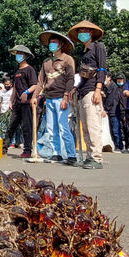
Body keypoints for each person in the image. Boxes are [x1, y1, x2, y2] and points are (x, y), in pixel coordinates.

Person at [69, 21, 108, 169]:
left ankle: (97, 158)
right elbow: (83, 75)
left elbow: (102, 69)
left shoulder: (98, 47)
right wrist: (76, 88)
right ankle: (89, 156)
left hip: (93, 90)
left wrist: (98, 89)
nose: (82, 33)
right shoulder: (82, 52)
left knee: (93, 125)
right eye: (80, 31)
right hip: (82, 90)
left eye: (85, 30)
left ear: (91, 33)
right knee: (85, 127)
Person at [37, 30, 76, 164]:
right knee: (50, 128)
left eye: (54, 42)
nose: (52, 44)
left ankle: (71, 155)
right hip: (49, 98)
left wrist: (66, 96)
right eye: (50, 42)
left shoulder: (67, 59)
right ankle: (56, 152)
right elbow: (41, 82)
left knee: (63, 127)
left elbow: (71, 79)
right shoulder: (46, 62)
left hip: (61, 97)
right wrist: (35, 97)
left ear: (60, 44)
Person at [3, 46, 39, 158]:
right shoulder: (17, 71)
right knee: (11, 126)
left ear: (25, 56)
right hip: (17, 103)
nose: (18, 55)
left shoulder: (30, 69)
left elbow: (35, 85)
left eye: (20, 53)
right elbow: (14, 88)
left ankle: (27, 150)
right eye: (17, 53)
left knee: (26, 127)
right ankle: (3, 148)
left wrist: (26, 92)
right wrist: (11, 100)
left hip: (26, 103)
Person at [103, 72, 125, 153]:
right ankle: (114, 145)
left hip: (113, 111)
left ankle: (119, 146)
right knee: (110, 130)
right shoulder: (105, 87)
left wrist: (106, 109)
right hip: (108, 111)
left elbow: (112, 100)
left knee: (116, 130)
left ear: (109, 78)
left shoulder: (113, 87)